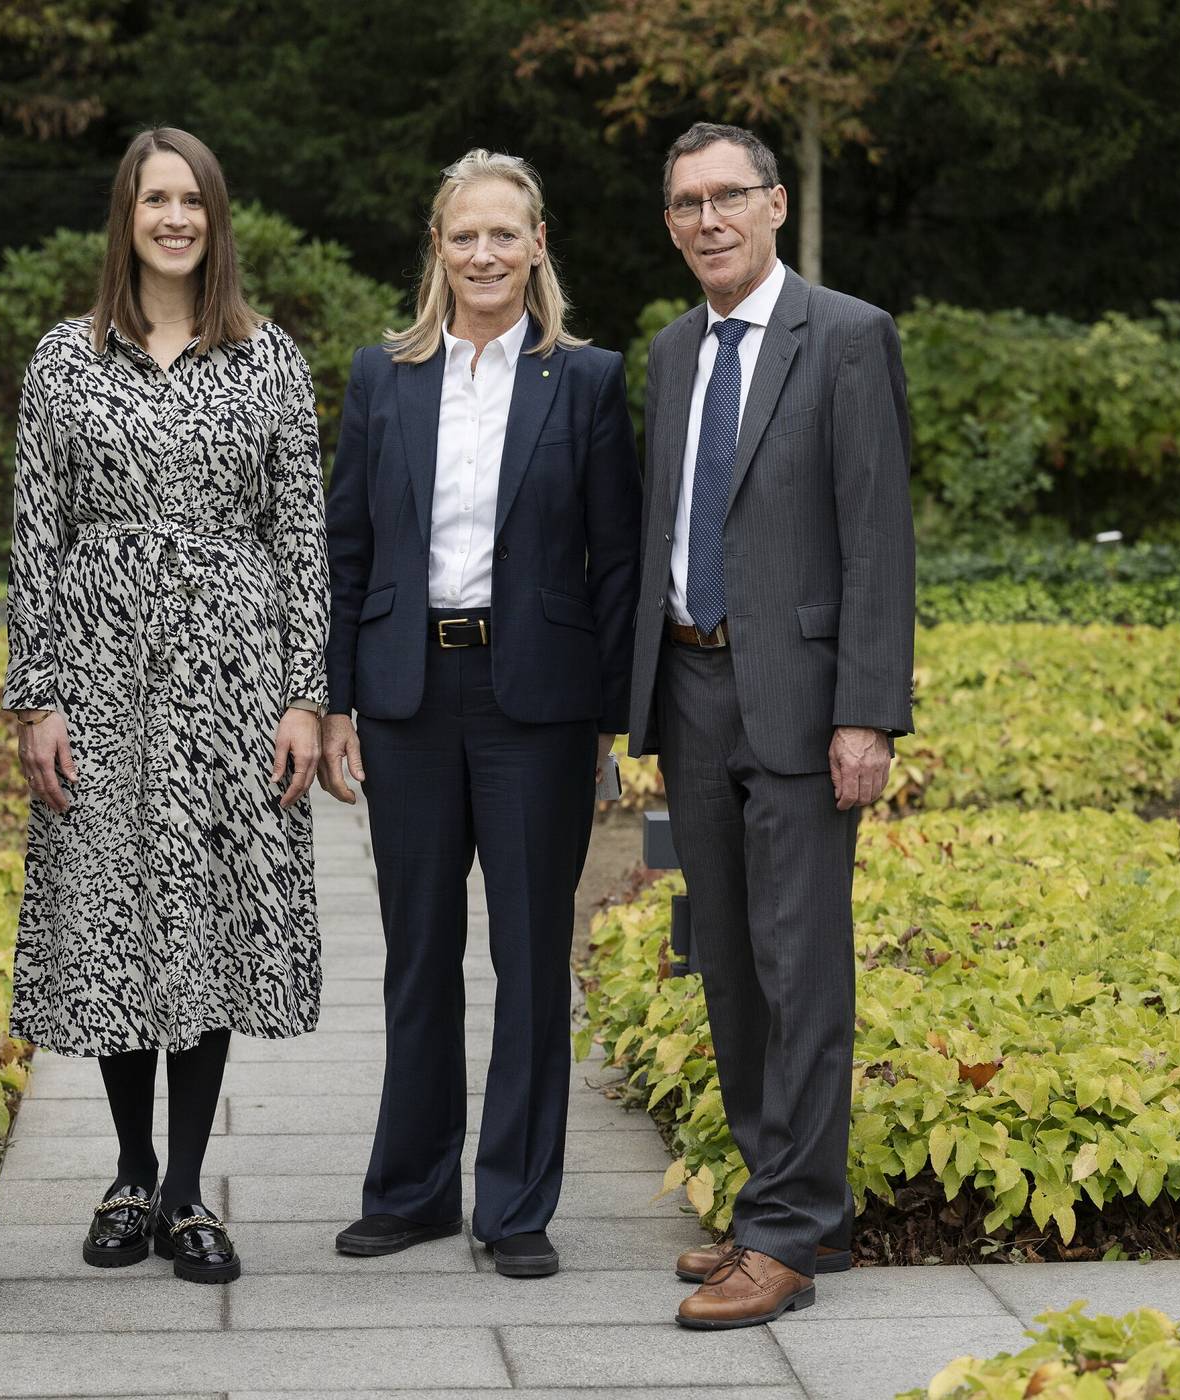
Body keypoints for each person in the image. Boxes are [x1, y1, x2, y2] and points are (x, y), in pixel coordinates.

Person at [4, 127, 330, 1285]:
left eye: (193, 199)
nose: (176, 217)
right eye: (156, 199)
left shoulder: (268, 358)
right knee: (113, 913)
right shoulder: (65, 359)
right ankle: (130, 1171)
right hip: (98, 669)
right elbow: (34, 535)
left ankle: (187, 1188)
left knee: (204, 913)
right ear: (126, 215)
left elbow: (302, 535)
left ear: (215, 215)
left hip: (229, 674)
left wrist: (304, 693)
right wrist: (35, 695)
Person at [319, 149, 640, 1279]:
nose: (485, 253)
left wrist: (608, 724)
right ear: (438, 248)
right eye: (465, 235)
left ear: (537, 244)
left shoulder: (586, 381)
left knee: (531, 957)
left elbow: (617, 561)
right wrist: (336, 699)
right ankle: (410, 1192)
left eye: (505, 234)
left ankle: (514, 1205)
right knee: (418, 952)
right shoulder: (383, 376)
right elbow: (346, 547)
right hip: (407, 694)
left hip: (537, 704)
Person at [625, 121, 915, 1329]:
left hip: (799, 697)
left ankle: (788, 1235)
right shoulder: (672, 349)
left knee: (802, 963)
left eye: (729, 196)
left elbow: (878, 533)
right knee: (733, 964)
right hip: (692, 687)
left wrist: (867, 712)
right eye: (687, 204)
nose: (709, 220)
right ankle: (788, 1206)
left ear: (776, 204)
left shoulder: (845, 335)